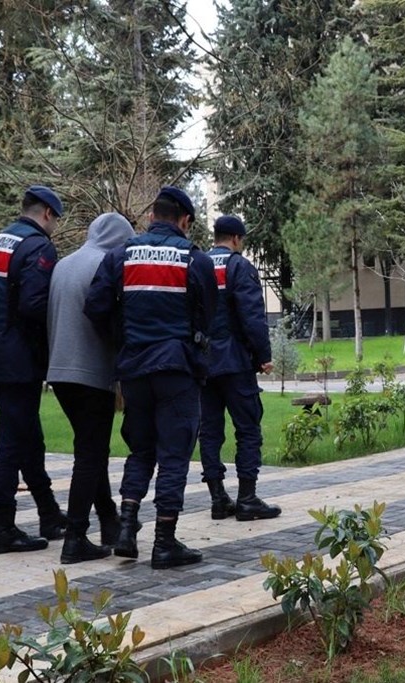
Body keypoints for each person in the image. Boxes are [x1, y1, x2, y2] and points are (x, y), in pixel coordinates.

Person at [84, 186, 217, 569]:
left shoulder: (120, 255)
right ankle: (164, 541)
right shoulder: (193, 258)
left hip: (136, 370)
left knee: (141, 450)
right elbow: (207, 317)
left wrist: (124, 337)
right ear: (185, 220)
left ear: (151, 217)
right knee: (174, 454)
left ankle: (126, 529)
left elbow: (95, 306)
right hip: (176, 368)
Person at [0, 185, 68, 554]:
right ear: (47, 213)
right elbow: (34, 304)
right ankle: (1, 527)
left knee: (28, 437)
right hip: (19, 357)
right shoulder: (38, 246)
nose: (54, 228)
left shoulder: (0, 241)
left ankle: (49, 513)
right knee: (13, 442)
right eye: (55, 220)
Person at [47, 212, 136, 564]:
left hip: (60, 371)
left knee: (91, 448)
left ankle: (109, 522)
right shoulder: (106, 263)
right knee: (89, 455)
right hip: (90, 372)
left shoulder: (65, 263)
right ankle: (76, 537)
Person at [198, 215, 281, 521]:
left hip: (203, 363)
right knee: (247, 428)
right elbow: (252, 315)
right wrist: (263, 355)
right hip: (234, 362)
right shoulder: (239, 266)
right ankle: (247, 498)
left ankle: (218, 499)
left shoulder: (198, 264)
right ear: (235, 238)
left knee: (209, 432)